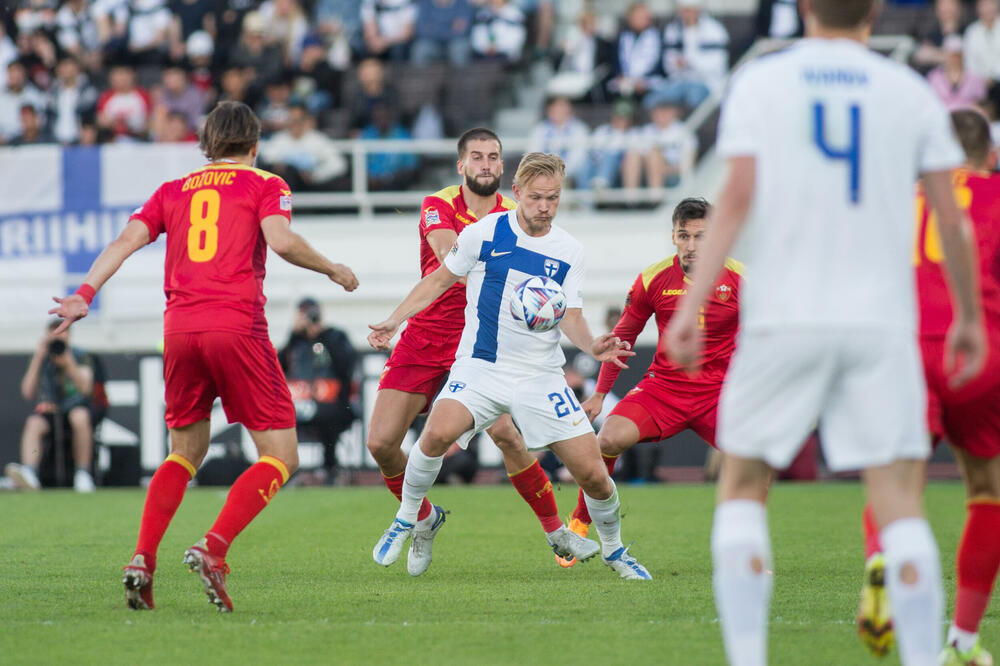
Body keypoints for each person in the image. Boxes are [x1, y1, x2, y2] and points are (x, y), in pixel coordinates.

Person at [663, 1, 986, 665]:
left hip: (785, 313)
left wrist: (691, 305)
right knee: (899, 498)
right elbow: (952, 222)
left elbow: (736, 198)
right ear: (873, 11)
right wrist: (970, 317)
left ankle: (748, 658)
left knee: (745, 485)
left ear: (805, 8)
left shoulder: (764, 81)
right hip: (880, 320)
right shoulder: (907, 91)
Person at [47, 101, 359, 613]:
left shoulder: (173, 191)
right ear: (255, 147)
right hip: (236, 326)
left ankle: (142, 559)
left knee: (184, 451)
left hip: (180, 330)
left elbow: (127, 240)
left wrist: (86, 292)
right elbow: (279, 241)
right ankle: (213, 547)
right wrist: (332, 269)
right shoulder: (265, 184)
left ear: (206, 146)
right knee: (282, 455)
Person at [368, 152, 652, 581]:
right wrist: (394, 319)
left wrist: (593, 344)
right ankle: (409, 517)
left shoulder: (569, 251)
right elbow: (439, 280)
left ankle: (614, 550)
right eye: (536, 197)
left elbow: (570, 315)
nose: (544, 206)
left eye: (553, 198)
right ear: (516, 193)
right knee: (437, 432)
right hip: (480, 367)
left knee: (594, 476)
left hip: (539, 376)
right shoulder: (484, 233)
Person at [856, 110, 1000, 665]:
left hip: (904, 348)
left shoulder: (896, 199)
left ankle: (882, 557)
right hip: (976, 348)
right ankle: (962, 642)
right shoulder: (991, 193)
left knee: (896, 484)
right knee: (987, 488)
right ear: (989, 156)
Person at [557, 197, 741, 568]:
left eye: (701, 237)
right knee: (607, 437)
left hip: (720, 393)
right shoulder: (653, 278)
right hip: (665, 390)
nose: (691, 245)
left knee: (752, 461)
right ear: (673, 235)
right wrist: (600, 394)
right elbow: (621, 341)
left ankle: (743, 551)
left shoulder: (741, 278)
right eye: (684, 235)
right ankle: (580, 519)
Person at [5, 320, 99, 493]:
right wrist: (37, 358)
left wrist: (68, 363)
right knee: (34, 423)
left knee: (80, 417)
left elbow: (85, 388)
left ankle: (83, 474)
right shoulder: (42, 357)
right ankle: (29, 472)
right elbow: (27, 392)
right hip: (50, 411)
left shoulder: (80, 356)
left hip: (76, 409)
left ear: (69, 337)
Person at [279, 297, 358, 485]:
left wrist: (323, 335)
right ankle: (286, 468)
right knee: (282, 421)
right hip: (299, 404)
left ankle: (330, 467)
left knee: (328, 419)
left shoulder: (335, 336)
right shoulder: (294, 342)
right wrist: (293, 335)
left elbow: (347, 366)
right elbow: (278, 368)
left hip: (333, 405)